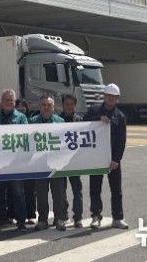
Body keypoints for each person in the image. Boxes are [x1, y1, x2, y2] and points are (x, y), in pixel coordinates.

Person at [84, 83, 128, 230]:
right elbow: (84, 122)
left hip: (112, 159)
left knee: (116, 190)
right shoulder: (94, 110)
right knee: (95, 188)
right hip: (97, 157)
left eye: (114, 96)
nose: (111, 98)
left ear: (117, 98)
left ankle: (118, 218)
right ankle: (96, 216)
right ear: (104, 96)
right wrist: (98, 118)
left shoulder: (120, 116)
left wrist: (117, 159)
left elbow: (122, 140)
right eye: (109, 95)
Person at [0, 88, 28, 231]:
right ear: (1, 102)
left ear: (14, 102)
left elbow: (26, 137)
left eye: (11, 100)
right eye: (6, 100)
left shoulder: (21, 118)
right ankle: (2, 219)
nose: (8, 102)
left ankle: (21, 221)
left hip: (15, 162)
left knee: (18, 193)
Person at [29, 95, 67, 231]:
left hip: (56, 164)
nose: (46, 107)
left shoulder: (61, 122)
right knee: (41, 194)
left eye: (49, 105)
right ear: (40, 107)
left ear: (53, 107)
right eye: (43, 105)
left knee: (58, 194)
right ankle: (42, 220)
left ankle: (59, 219)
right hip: (39, 164)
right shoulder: (32, 121)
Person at [59, 93, 83, 228]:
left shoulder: (80, 121)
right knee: (61, 190)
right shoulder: (57, 120)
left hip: (75, 161)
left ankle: (78, 217)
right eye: (66, 104)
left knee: (77, 190)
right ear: (62, 105)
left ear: (75, 105)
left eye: (71, 104)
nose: (69, 106)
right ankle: (63, 216)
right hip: (60, 162)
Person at [15, 97, 36, 225]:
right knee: (17, 190)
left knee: (30, 189)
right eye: (18, 106)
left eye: (23, 106)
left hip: (30, 161)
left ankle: (31, 214)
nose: (21, 108)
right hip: (16, 161)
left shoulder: (32, 120)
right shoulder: (14, 121)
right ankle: (16, 215)